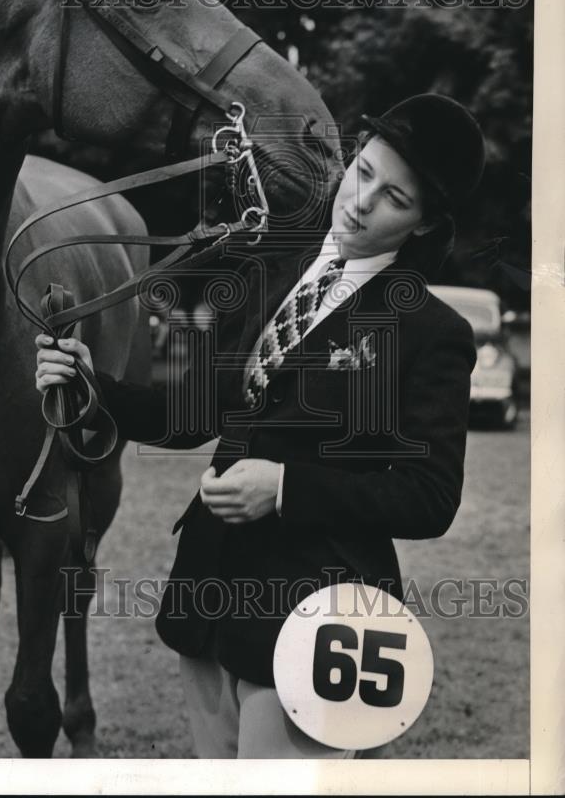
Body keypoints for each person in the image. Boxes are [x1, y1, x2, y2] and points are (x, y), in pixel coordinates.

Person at [34, 93, 485, 759]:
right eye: (362, 172)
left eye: (393, 197)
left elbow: (429, 497)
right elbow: (192, 415)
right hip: (209, 591)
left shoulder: (430, 332)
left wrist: (285, 486)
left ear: (422, 225)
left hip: (320, 612)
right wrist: (87, 383)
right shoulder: (275, 269)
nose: (360, 202)